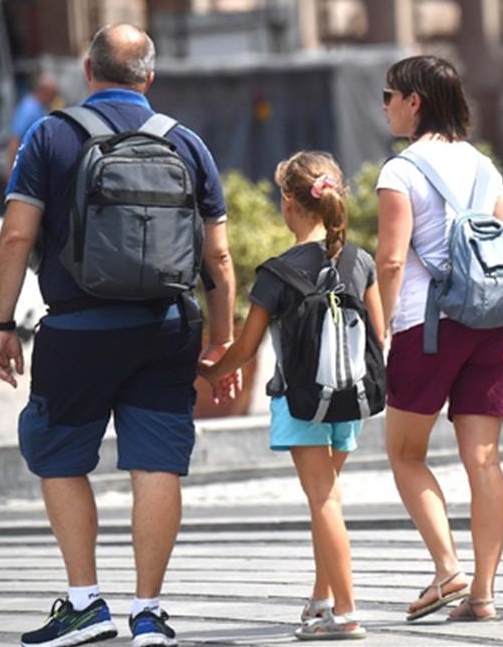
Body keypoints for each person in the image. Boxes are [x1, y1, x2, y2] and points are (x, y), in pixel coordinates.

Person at [0, 23, 237, 647]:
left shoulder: (51, 135)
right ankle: (149, 613)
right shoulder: (187, 143)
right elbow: (220, 258)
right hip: (167, 327)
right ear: (149, 77)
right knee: (156, 463)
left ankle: (84, 604)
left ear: (86, 69)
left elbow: (18, 235)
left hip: (79, 330)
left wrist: (0, 325)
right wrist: (222, 339)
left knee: (59, 455)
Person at [374, 55, 503, 622]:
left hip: (428, 327)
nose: (386, 105)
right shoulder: (484, 167)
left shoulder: (400, 171)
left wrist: (379, 333)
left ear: (414, 101)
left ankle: (449, 570)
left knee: (404, 453)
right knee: (484, 459)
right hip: (492, 323)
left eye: (389, 95)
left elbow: (393, 260)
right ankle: (484, 595)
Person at [199, 151, 383, 641]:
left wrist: (212, 371)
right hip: (351, 398)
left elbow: (246, 347)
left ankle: (345, 612)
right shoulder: (360, 260)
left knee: (323, 500)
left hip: (302, 399)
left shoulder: (277, 273)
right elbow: (379, 335)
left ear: (288, 203)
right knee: (328, 498)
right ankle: (323, 597)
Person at [7, 72, 60, 169]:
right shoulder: (28, 109)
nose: (54, 98)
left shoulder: (41, 108)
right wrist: (10, 169)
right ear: (43, 91)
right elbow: (15, 138)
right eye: (53, 94)